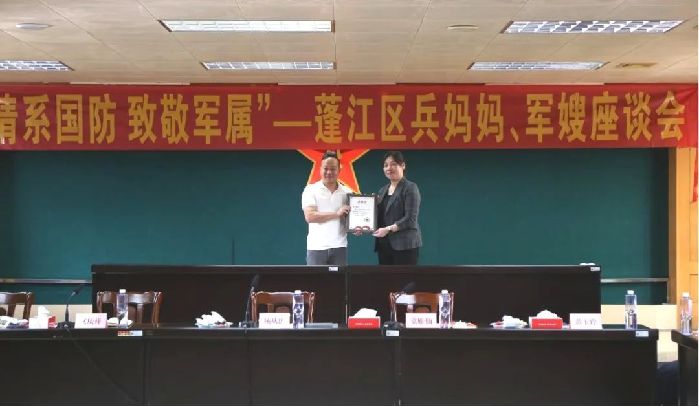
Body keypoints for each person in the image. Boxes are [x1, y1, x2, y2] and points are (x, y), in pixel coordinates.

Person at [301, 151, 352, 265]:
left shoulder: (347, 192)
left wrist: (356, 227)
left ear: (339, 170)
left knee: (340, 277)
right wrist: (336, 214)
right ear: (320, 169)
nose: (329, 172)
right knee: (315, 278)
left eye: (333, 169)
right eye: (326, 168)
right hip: (316, 247)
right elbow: (310, 217)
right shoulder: (310, 190)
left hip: (339, 246)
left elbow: (351, 218)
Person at [372, 151, 422, 265]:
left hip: (405, 246)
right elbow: (378, 217)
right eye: (386, 165)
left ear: (403, 165)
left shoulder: (410, 188)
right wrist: (363, 227)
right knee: (385, 277)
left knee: (404, 277)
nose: (389, 168)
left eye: (393, 164)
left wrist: (388, 229)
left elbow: (410, 219)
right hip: (384, 245)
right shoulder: (382, 190)